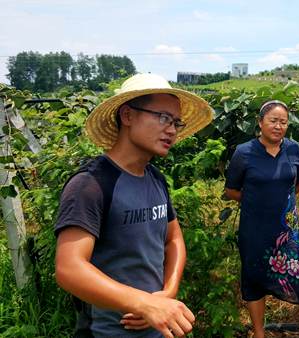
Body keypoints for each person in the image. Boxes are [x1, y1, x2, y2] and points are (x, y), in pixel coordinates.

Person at [54, 73, 213, 338]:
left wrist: (167, 293)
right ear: (127, 116)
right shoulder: (91, 184)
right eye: (163, 117)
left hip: (156, 330)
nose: (172, 129)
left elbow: (173, 239)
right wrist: (142, 303)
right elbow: (69, 268)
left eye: (176, 122)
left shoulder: (155, 179)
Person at [224, 100, 299, 338]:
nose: (278, 126)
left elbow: (298, 183)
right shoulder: (244, 152)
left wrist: (282, 203)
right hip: (254, 231)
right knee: (254, 282)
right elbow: (231, 190)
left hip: (286, 232)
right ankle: (259, 334)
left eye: (283, 122)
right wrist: (257, 200)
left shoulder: (294, 150)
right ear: (260, 123)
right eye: (273, 121)